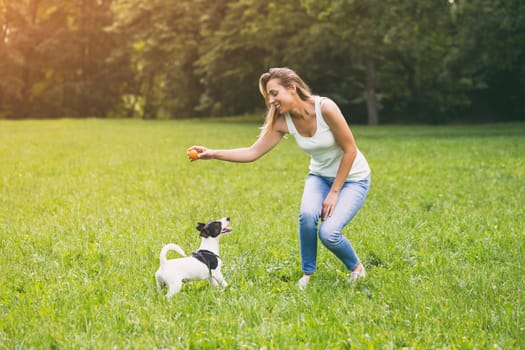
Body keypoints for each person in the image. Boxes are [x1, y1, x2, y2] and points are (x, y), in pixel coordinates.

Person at [187, 67, 371, 289]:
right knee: (307, 216)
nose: (271, 100)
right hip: (320, 176)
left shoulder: (325, 108)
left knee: (329, 232)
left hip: (353, 177)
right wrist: (213, 153)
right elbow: (251, 152)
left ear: (292, 88)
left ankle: (357, 269)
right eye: (268, 96)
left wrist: (334, 193)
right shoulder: (283, 121)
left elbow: (350, 150)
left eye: (274, 93)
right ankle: (307, 274)